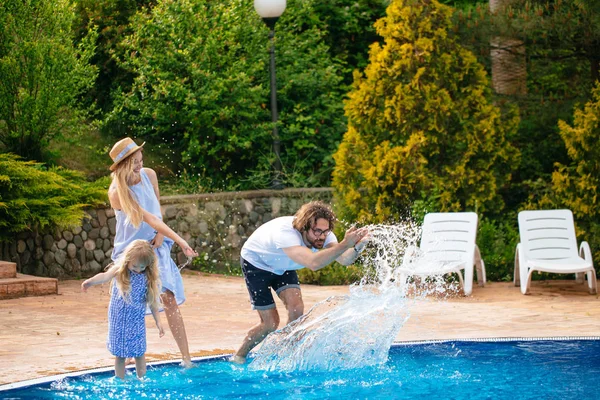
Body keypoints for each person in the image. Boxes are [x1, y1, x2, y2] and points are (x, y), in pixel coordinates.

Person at [232, 200, 369, 364]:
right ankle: (239, 355)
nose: (322, 237)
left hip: (284, 264)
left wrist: (357, 248)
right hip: (257, 264)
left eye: (326, 231)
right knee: (270, 323)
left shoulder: (324, 235)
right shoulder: (286, 234)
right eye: (317, 231)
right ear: (304, 227)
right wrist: (344, 244)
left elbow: (344, 259)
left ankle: (287, 353)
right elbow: (313, 263)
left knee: (296, 308)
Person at [108, 137, 198, 367]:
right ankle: (128, 351)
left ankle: (186, 358)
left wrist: (162, 235)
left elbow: (156, 210)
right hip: (131, 253)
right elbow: (146, 218)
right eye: (135, 162)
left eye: (141, 160)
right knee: (130, 302)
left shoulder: (149, 175)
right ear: (124, 166)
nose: (140, 165)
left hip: (156, 245)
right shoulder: (117, 192)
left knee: (168, 297)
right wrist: (179, 240)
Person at [82, 240, 165, 379]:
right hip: (118, 319)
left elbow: (152, 302)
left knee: (139, 352)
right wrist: (89, 282)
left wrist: (159, 322)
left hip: (136, 321)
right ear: (127, 259)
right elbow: (104, 277)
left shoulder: (147, 277)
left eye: (142, 267)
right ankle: (120, 381)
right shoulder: (120, 270)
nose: (138, 270)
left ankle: (142, 380)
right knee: (120, 355)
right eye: (135, 266)